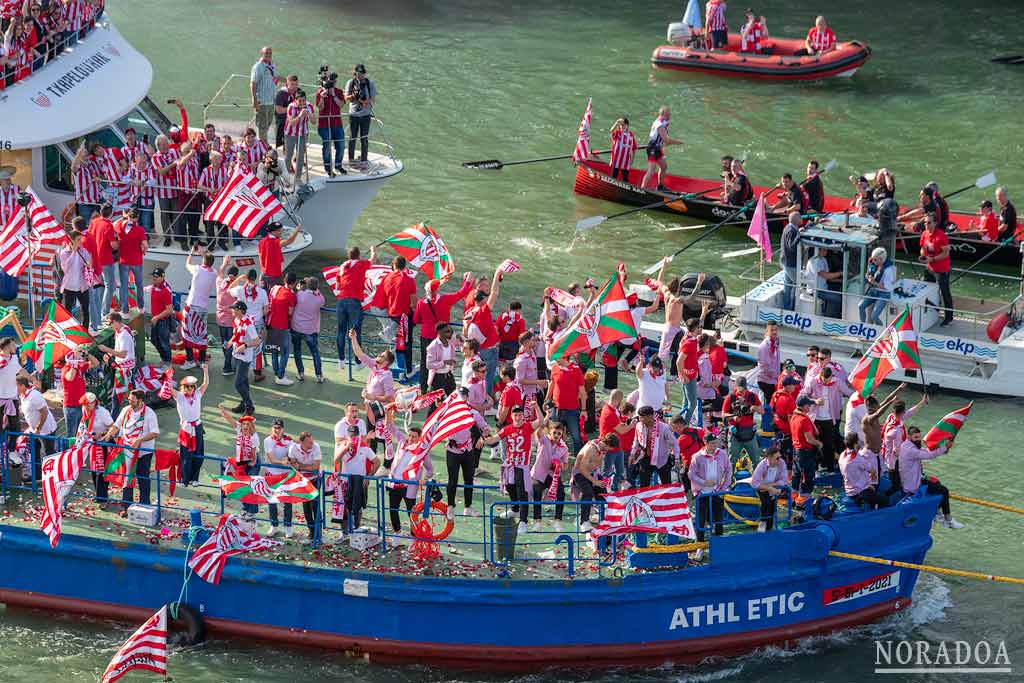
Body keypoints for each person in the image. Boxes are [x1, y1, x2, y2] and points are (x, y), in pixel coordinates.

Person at [484, 405, 545, 536]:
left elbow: (541, 421)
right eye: (515, 415)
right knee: (509, 486)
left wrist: (537, 408)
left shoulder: (528, 427)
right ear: (512, 417)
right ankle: (515, 508)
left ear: (523, 416)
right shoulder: (507, 429)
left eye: (520, 415)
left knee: (522, 492)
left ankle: (523, 521)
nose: (518, 417)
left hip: (522, 465)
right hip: (510, 464)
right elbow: (493, 439)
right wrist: (482, 439)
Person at [413, 272, 473, 392]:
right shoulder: (445, 300)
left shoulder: (421, 303)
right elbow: (461, 293)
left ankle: (423, 389)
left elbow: (416, 319)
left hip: (426, 336)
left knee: (426, 363)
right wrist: (467, 281)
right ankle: (442, 388)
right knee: (444, 362)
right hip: (443, 338)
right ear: (437, 289)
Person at [103, 388, 160, 514]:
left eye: (132, 400)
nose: (130, 402)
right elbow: (116, 426)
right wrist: (108, 435)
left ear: (140, 400)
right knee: (127, 478)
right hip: (127, 450)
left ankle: (145, 504)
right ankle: (126, 506)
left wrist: (140, 440)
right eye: (129, 399)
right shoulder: (125, 410)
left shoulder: (149, 413)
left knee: (142, 477)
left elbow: (155, 432)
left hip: (143, 452)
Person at [898, 426, 963, 529]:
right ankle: (948, 520)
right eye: (916, 437)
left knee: (937, 483)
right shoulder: (910, 450)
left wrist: (943, 449)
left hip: (914, 478)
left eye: (919, 437)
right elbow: (929, 455)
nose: (918, 439)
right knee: (944, 491)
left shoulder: (906, 445)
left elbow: (926, 451)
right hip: (913, 484)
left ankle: (937, 514)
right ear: (909, 437)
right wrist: (945, 447)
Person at [334, 245, 376, 363]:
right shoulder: (361, 264)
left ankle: (341, 359)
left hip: (341, 301)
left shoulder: (342, 266)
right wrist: (373, 251)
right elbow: (372, 260)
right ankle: (358, 361)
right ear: (359, 255)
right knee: (355, 332)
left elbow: (337, 286)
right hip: (354, 302)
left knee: (341, 331)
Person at [463, 267, 503, 392]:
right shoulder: (483, 310)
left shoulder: (469, 312)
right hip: (488, 350)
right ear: (483, 300)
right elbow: (495, 293)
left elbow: (465, 332)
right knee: (488, 377)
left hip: (477, 350)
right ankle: (486, 401)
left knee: (477, 377)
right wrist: (497, 274)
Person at [348, 329, 397, 428]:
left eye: (382, 356)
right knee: (370, 438)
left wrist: (373, 397)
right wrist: (353, 338)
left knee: (382, 440)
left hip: (381, 412)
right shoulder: (374, 365)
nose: (379, 355)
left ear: (386, 362)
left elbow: (390, 397)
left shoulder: (387, 376)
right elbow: (359, 354)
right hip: (371, 409)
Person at [217, 407, 261, 516]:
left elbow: (254, 451)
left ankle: (252, 511)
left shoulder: (254, 436)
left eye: (248, 424)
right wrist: (224, 413)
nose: (245, 426)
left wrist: (253, 462)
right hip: (243, 460)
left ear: (251, 426)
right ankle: (245, 508)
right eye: (244, 424)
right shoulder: (240, 430)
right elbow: (232, 422)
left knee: (251, 485)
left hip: (252, 460)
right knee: (242, 484)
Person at [170, 368, 209, 487]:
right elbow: (169, 389)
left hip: (197, 426)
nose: (190, 389)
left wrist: (205, 370)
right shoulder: (179, 397)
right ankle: (184, 479)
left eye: (192, 386)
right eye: (187, 387)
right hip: (186, 428)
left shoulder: (197, 394)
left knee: (199, 454)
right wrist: (167, 378)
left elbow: (205, 384)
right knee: (185, 455)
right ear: (183, 387)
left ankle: (195, 478)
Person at [229, 270, 270, 382]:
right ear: (255, 278)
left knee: (241, 345)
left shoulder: (240, 290)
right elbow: (266, 310)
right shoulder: (262, 292)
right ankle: (257, 374)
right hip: (257, 323)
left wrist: (238, 279)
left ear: (246, 277)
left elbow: (229, 289)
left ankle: (241, 372)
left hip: (243, 323)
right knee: (257, 349)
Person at [571, 434, 617, 533]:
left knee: (604, 494)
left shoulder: (602, 449)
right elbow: (582, 468)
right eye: (610, 448)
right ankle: (583, 521)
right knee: (588, 493)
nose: (610, 451)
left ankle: (604, 519)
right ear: (607, 444)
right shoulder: (590, 449)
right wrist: (594, 481)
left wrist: (600, 477)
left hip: (593, 473)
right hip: (579, 473)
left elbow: (599, 463)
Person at [381, 256, 418, 374]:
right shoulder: (409, 280)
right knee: (407, 344)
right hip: (404, 316)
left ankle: (391, 364)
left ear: (393, 265)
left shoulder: (387, 278)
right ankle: (407, 369)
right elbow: (414, 301)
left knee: (397, 342)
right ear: (405, 266)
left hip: (391, 314)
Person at [690, 432, 730, 544]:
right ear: (705, 443)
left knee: (718, 519)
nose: (714, 446)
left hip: (717, 492)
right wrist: (704, 482)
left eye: (715, 443)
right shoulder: (697, 457)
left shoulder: (722, 454)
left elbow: (729, 469)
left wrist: (724, 487)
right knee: (701, 520)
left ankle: (719, 542)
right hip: (702, 493)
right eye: (712, 443)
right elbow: (691, 474)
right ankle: (700, 545)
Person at [531, 418, 570, 530]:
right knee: (537, 490)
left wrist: (560, 464)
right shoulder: (544, 439)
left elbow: (566, 465)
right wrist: (546, 419)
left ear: (562, 434)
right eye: (554, 432)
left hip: (553, 475)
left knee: (561, 493)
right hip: (539, 473)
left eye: (559, 433)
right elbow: (538, 432)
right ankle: (537, 521)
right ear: (550, 432)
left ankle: (557, 520)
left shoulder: (564, 448)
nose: (557, 435)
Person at [180, 250, 216, 369]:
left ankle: (190, 360)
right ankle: (201, 360)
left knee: (187, 334)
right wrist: (203, 254)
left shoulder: (198, 269)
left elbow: (187, 264)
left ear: (203, 260)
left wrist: (191, 252)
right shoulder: (213, 273)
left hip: (192, 306)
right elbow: (208, 263)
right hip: (203, 308)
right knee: (201, 335)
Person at [77, 392, 115, 505]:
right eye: (83, 405)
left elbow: (113, 428)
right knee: (94, 471)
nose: (84, 407)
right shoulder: (85, 411)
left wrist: (101, 434)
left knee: (100, 472)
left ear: (94, 403)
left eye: (87, 404)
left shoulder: (102, 413)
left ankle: (102, 499)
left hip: (104, 443)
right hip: (92, 443)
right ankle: (99, 495)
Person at [546, 352, 587, 455]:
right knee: (554, 435)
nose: (555, 359)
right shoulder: (555, 368)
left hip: (572, 410)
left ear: (564, 356)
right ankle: (555, 456)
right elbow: (552, 384)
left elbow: (582, 393)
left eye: (557, 357)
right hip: (556, 409)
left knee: (576, 437)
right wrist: (547, 400)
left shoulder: (576, 370)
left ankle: (578, 459)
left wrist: (583, 410)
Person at [17, 375, 56, 480]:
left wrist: (38, 428)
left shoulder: (34, 395)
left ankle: (51, 478)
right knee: (35, 452)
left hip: (45, 430)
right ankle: (38, 476)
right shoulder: (23, 395)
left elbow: (44, 411)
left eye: (16, 386)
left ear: (22, 386)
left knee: (49, 454)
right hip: (34, 430)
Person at [288, 432, 324, 543]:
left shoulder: (316, 447)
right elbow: (292, 464)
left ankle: (318, 532)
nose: (312, 443)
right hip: (303, 481)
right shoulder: (293, 448)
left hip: (315, 479)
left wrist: (301, 466)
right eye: (309, 442)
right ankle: (312, 531)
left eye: (312, 441)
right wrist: (300, 467)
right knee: (306, 507)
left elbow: (315, 467)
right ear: (302, 442)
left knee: (315, 505)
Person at [630, 405, 679, 487]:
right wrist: (632, 453)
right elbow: (636, 441)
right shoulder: (639, 426)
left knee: (666, 484)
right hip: (645, 458)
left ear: (649, 416)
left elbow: (675, 443)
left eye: (642, 417)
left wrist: (677, 458)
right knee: (644, 485)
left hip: (662, 460)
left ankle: (667, 499)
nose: (640, 419)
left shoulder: (664, 428)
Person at [97, 312, 137, 410]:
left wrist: (106, 350)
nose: (110, 326)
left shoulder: (124, 335)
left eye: (110, 324)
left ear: (115, 322)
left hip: (125, 370)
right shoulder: (122, 329)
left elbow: (123, 354)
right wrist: (110, 354)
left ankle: (114, 418)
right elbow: (118, 349)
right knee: (132, 394)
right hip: (125, 368)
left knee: (117, 397)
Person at [919, 213, 953, 326]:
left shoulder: (941, 236)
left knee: (945, 293)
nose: (926, 225)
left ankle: (948, 317)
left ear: (935, 223)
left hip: (942, 269)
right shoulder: (924, 234)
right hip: (929, 268)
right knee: (926, 290)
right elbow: (923, 248)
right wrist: (923, 255)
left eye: (929, 222)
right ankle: (932, 312)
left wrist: (932, 259)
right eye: (925, 222)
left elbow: (946, 253)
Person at [263, 418, 295, 537]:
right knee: (272, 501)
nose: (277, 430)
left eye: (279, 428)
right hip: (272, 474)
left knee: (287, 501)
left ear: (283, 429)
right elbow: (271, 459)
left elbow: (291, 454)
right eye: (275, 428)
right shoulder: (267, 440)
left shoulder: (289, 440)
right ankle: (274, 525)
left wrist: (288, 458)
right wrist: (283, 462)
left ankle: (288, 526)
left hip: (285, 475)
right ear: (272, 428)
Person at [228, 301, 260, 415]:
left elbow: (256, 341)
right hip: (236, 354)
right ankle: (243, 404)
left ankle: (249, 405)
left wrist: (245, 346)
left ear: (240, 311)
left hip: (244, 358)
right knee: (244, 381)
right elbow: (236, 334)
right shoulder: (237, 320)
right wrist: (230, 342)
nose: (232, 310)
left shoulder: (248, 324)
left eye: (234, 309)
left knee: (238, 384)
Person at [839, 433, 887, 510]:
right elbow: (872, 471)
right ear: (855, 444)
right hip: (860, 492)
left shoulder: (842, 455)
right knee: (885, 500)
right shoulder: (858, 459)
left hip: (848, 490)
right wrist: (870, 485)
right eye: (858, 441)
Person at [58, 229, 94, 331]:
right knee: (67, 313)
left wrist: (89, 265)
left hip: (82, 286)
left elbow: (89, 264)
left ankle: (85, 332)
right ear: (72, 241)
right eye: (78, 240)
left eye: (81, 239)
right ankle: (68, 333)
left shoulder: (84, 251)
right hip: (69, 287)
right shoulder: (64, 252)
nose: (81, 242)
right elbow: (66, 268)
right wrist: (73, 252)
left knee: (85, 311)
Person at [291, 276, 325, 383]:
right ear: (317, 287)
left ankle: (300, 373)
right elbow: (322, 299)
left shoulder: (300, 294)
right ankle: (319, 375)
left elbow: (297, 290)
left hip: (296, 327)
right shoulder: (320, 299)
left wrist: (302, 285)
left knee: (297, 350)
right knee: (315, 353)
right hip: (310, 330)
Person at [640, 106, 683, 191]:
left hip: (658, 148)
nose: (669, 116)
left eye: (669, 114)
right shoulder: (659, 124)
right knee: (651, 170)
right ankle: (642, 189)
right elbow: (666, 139)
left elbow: (664, 141)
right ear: (662, 114)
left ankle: (660, 186)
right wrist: (677, 142)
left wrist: (665, 143)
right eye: (668, 115)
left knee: (664, 166)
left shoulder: (663, 122)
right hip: (652, 148)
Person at [722, 376, 763, 464]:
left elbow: (762, 411)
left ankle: (756, 478)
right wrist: (733, 417)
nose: (742, 392)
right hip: (735, 433)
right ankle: (729, 478)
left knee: (756, 460)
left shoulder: (752, 396)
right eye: (740, 389)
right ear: (735, 386)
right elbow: (723, 414)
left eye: (743, 389)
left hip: (750, 434)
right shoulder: (731, 397)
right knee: (732, 461)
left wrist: (754, 407)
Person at [599, 389, 634, 491]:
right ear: (618, 400)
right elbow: (622, 431)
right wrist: (631, 426)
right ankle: (601, 493)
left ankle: (614, 488)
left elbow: (617, 426)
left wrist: (622, 425)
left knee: (620, 470)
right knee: (606, 471)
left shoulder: (609, 409)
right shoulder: (610, 413)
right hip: (609, 446)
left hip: (617, 446)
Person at [266, 273, 298, 386]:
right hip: (282, 326)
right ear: (294, 283)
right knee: (285, 352)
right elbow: (290, 312)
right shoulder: (291, 295)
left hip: (271, 324)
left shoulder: (276, 288)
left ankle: (276, 373)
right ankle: (280, 376)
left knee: (274, 350)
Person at [113, 207, 147, 312]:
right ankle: (141, 308)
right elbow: (145, 245)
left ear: (128, 215)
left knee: (123, 286)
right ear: (137, 218)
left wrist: (123, 217)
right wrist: (143, 251)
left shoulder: (119, 225)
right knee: (139, 285)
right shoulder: (140, 230)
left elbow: (113, 224)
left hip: (123, 261)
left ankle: (125, 310)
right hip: (137, 261)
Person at [315, 68, 347, 177]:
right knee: (327, 145)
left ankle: (338, 165)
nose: (331, 84)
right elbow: (320, 107)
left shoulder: (338, 92)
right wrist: (323, 98)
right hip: (324, 124)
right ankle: (328, 168)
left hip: (337, 123)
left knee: (341, 145)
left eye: (333, 82)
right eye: (330, 82)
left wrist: (333, 95)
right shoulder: (320, 92)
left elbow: (341, 105)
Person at [196, 151, 230, 249]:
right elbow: (199, 185)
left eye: (219, 159)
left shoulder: (224, 170)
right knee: (209, 222)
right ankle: (211, 243)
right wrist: (209, 189)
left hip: (220, 199)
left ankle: (222, 242)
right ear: (211, 159)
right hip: (209, 199)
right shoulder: (206, 170)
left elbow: (228, 183)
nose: (217, 161)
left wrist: (221, 188)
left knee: (221, 221)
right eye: (215, 158)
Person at [60, 349, 97, 438]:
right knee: (71, 435)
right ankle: (70, 451)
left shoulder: (80, 366)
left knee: (80, 432)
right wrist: (75, 363)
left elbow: (96, 363)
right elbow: (70, 377)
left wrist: (87, 354)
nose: (81, 357)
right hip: (71, 406)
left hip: (81, 405)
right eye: (78, 356)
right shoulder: (65, 369)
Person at [344, 64, 377, 165]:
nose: (360, 76)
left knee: (364, 138)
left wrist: (364, 101)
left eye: (362, 73)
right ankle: (351, 159)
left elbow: (372, 99)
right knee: (352, 137)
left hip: (365, 115)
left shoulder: (369, 83)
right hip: (354, 115)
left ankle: (363, 160)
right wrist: (354, 96)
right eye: (358, 73)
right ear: (355, 73)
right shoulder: (350, 82)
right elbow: (346, 98)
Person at [789, 396, 821, 497]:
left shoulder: (794, 417)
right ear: (804, 406)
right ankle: (804, 503)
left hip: (796, 450)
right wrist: (819, 443)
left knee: (796, 475)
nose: (810, 407)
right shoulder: (804, 420)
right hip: (805, 453)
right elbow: (809, 439)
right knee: (807, 478)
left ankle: (793, 499)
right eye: (809, 405)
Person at [675, 316, 704, 424]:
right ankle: (684, 425)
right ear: (695, 328)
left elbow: (694, 324)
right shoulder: (690, 344)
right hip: (688, 377)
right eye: (699, 327)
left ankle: (678, 422)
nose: (700, 329)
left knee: (686, 402)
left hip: (689, 374)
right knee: (693, 404)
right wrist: (684, 376)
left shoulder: (687, 336)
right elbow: (679, 361)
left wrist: (703, 313)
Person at [750, 445, 788, 531]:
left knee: (772, 509)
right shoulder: (762, 465)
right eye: (777, 458)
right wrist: (769, 488)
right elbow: (755, 483)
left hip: (774, 487)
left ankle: (769, 530)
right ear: (769, 458)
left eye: (780, 457)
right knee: (765, 506)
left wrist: (772, 485)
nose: (779, 460)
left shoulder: (781, 463)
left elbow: (784, 480)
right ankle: (762, 530)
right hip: (763, 488)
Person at [250, 46, 281, 143]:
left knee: (268, 123)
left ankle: (263, 143)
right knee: (262, 126)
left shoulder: (272, 65)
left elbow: (276, 77)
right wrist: (254, 100)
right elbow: (253, 83)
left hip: (271, 100)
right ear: (262, 53)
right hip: (262, 101)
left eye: (270, 53)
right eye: (266, 53)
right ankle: (264, 147)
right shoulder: (258, 67)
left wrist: (288, 81)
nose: (268, 55)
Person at [258, 221, 301, 290]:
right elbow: (290, 241)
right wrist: (297, 230)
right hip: (274, 277)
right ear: (273, 232)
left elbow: (260, 256)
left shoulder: (261, 241)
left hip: (263, 275)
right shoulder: (276, 242)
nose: (281, 232)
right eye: (279, 231)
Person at [859, 247, 895, 326]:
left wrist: (874, 282)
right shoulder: (873, 263)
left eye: (875, 260)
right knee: (861, 306)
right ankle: (862, 327)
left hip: (884, 294)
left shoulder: (888, 270)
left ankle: (882, 331)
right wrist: (868, 277)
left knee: (874, 316)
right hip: (873, 291)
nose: (873, 261)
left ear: (881, 259)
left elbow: (887, 287)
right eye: (873, 259)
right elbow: (867, 274)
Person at [215, 258, 239, 376]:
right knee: (230, 343)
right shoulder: (234, 290)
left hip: (220, 319)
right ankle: (227, 367)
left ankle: (227, 362)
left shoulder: (220, 283)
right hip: (230, 320)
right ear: (235, 276)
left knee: (224, 342)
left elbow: (220, 273)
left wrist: (224, 264)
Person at [71, 141, 104, 223]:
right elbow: (73, 167)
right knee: (86, 227)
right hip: (85, 204)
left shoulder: (92, 164)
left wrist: (98, 178)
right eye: (83, 152)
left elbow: (101, 175)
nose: (86, 153)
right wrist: (79, 153)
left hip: (98, 201)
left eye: (86, 151)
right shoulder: (78, 167)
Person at [283, 89, 313, 181]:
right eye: (300, 101)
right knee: (288, 156)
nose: (302, 103)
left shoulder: (309, 106)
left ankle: (298, 177)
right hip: (290, 134)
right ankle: (286, 178)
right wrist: (300, 116)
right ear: (295, 100)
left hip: (303, 134)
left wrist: (309, 114)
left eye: (303, 100)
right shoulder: (291, 107)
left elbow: (314, 121)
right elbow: (292, 123)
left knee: (300, 156)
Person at [805, 246, 843, 318]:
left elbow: (829, 279)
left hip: (823, 288)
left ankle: (829, 313)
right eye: (824, 249)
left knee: (839, 290)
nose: (826, 251)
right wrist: (840, 273)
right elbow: (826, 275)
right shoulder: (813, 261)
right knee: (837, 298)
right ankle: (833, 318)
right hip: (815, 290)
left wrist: (842, 281)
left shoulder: (823, 260)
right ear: (818, 250)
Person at [147, 267, 174, 368]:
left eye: (156, 277)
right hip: (156, 319)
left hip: (163, 321)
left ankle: (168, 363)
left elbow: (169, 310)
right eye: (153, 276)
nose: (153, 278)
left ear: (162, 278)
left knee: (164, 342)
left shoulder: (165, 291)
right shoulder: (154, 286)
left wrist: (157, 317)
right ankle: (164, 358)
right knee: (154, 340)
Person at [425, 323, 458, 395]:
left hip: (449, 375)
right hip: (437, 378)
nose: (450, 333)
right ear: (440, 332)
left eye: (451, 331)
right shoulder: (432, 346)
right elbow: (429, 365)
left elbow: (464, 342)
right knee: (436, 404)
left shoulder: (451, 342)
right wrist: (444, 362)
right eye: (447, 331)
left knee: (452, 400)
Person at [771, 376, 799, 460]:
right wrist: (795, 433)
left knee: (777, 452)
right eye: (793, 384)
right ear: (788, 386)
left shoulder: (776, 394)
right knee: (787, 457)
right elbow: (791, 419)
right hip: (785, 431)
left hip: (776, 426)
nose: (795, 386)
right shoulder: (789, 400)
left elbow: (772, 408)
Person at [780, 212, 803, 311]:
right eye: (800, 218)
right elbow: (791, 246)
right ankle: (792, 308)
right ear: (796, 220)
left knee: (788, 286)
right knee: (798, 285)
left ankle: (787, 308)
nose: (802, 219)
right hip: (790, 263)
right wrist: (799, 235)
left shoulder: (788, 228)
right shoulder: (791, 230)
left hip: (787, 261)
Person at [755, 321, 780, 402]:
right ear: (767, 331)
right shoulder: (764, 346)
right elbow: (765, 366)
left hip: (772, 380)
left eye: (775, 330)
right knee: (770, 405)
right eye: (772, 330)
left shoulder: (775, 343)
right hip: (766, 380)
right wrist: (776, 376)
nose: (774, 332)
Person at [274, 74, 299, 151]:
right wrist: (292, 108)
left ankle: (297, 157)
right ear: (287, 84)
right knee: (285, 144)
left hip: (295, 120)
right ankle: (285, 156)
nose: (294, 86)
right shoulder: (281, 93)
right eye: (292, 84)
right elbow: (279, 110)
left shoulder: (299, 92)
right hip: (283, 121)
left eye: (296, 84)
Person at [608, 117, 638, 182]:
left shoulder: (631, 135)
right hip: (616, 160)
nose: (622, 126)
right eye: (621, 125)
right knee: (613, 178)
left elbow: (634, 149)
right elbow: (611, 131)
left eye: (623, 125)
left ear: (627, 125)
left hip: (626, 161)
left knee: (625, 179)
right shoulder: (618, 132)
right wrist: (616, 123)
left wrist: (632, 161)